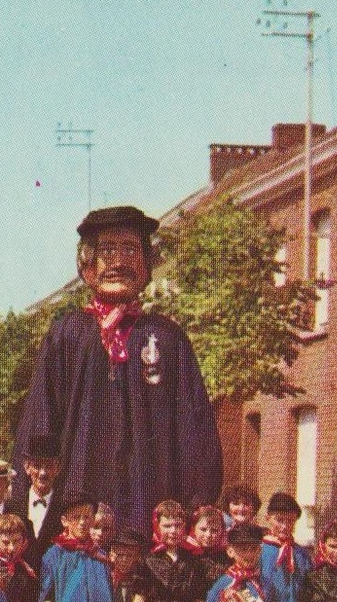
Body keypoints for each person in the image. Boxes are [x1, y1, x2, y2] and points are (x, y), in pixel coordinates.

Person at [11, 205, 223, 537]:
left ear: (147, 264)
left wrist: (198, 505)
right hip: (75, 519)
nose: (119, 262)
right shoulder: (67, 333)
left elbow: (194, 431)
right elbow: (40, 420)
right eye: (108, 250)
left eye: (130, 249)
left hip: (149, 515)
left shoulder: (167, 338)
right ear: (87, 264)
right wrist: (22, 506)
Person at [4, 433, 63, 571]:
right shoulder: (11, 507)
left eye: (48, 466)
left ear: (57, 469)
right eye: (37, 466)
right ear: (27, 467)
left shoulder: (65, 509)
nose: (43, 473)